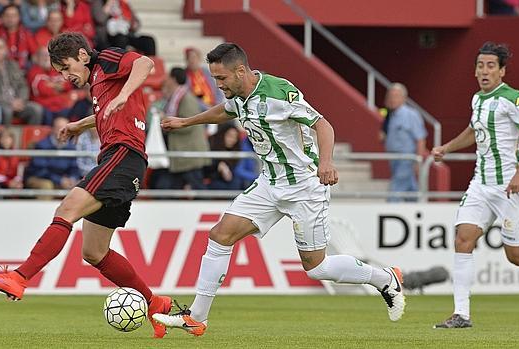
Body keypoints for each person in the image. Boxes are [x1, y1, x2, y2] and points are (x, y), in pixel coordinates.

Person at [153, 43, 405, 336]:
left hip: (305, 186)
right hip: (269, 184)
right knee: (220, 235)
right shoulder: (238, 95)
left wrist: (326, 163)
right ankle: (197, 318)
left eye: (221, 79)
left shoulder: (278, 92)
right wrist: (187, 121)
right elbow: (226, 111)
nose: (217, 84)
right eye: (215, 78)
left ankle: (384, 278)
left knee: (317, 267)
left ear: (241, 71)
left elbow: (323, 125)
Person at [0, 32, 173, 338]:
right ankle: (154, 302)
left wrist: (122, 96)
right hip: (122, 160)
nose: (66, 76)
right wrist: (79, 125)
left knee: (67, 208)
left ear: (83, 55)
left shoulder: (107, 60)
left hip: (122, 156)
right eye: (59, 72)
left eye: (66, 67)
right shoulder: (98, 79)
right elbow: (107, 111)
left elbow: (144, 64)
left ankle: (20, 277)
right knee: (94, 252)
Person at [431, 42, 519, 329]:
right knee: (463, 238)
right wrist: (447, 148)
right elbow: (474, 131)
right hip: (481, 183)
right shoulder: (477, 99)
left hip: (510, 187)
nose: (484, 71)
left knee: (517, 257)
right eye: (480, 65)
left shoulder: (512, 99)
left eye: (490, 66)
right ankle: (461, 314)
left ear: (501, 71)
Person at [161, 67, 210, 190]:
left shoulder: (186, 99)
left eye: (168, 77)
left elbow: (189, 124)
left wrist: (168, 122)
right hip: (182, 156)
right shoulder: (176, 98)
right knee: (174, 189)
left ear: (173, 79)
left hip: (190, 155)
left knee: (198, 189)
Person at [0, 36, 44, 125]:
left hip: (17, 101)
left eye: (0, 48)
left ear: (5, 50)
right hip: (0, 103)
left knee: (36, 109)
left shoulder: (13, 65)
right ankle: (6, 138)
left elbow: (23, 86)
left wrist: (21, 100)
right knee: (7, 111)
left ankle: (30, 138)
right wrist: (10, 103)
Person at [383, 83, 427, 202]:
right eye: (390, 96)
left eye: (396, 96)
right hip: (394, 158)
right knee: (410, 189)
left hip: (406, 158)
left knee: (396, 188)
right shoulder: (390, 115)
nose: (392, 99)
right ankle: (417, 206)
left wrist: (418, 160)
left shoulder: (410, 115)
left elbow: (420, 138)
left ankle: (389, 210)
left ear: (403, 98)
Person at [23, 116, 81, 193]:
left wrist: (72, 178)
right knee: (46, 186)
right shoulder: (42, 145)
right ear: (53, 129)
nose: (64, 131)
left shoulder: (71, 147)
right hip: (39, 178)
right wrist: (60, 180)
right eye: (59, 128)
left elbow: (74, 168)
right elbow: (40, 171)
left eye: (66, 129)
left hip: (61, 180)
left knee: (79, 187)